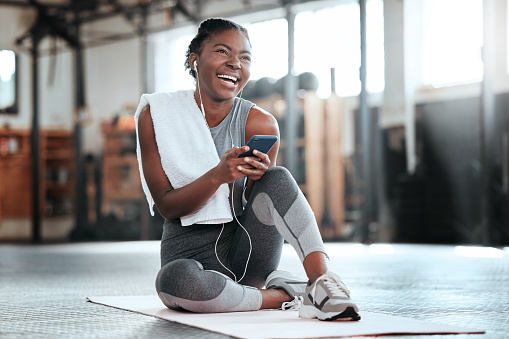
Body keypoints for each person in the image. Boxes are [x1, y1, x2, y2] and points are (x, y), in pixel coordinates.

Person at [135, 17, 360, 321]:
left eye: (244, 57)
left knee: (277, 177)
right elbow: (166, 206)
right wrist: (218, 176)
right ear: (195, 60)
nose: (235, 63)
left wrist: (256, 179)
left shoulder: (260, 123)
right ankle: (279, 296)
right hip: (188, 260)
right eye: (222, 52)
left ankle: (322, 283)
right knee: (172, 282)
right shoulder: (157, 116)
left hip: (248, 255)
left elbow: (259, 207)